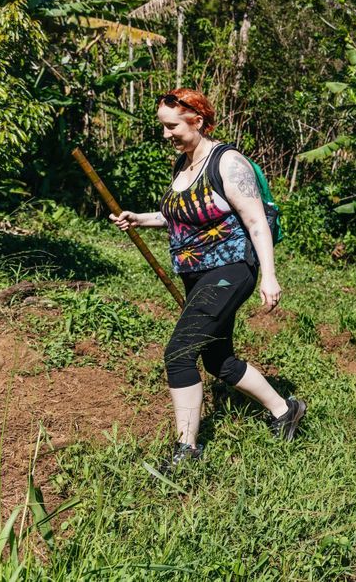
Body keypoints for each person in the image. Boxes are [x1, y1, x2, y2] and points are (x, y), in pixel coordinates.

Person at [110, 88, 305, 469]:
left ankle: (187, 450)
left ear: (197, 120)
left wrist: (269, 275)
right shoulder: (183, 166)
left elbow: (255, 220)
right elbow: (180, 215)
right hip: (195, 274)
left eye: (172, 127)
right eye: (163, 127)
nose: (166, 135)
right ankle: (286, 410)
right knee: (218, 360)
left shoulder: (227, 162)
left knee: (179, 354)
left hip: (231, 269)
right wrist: (140, 218)